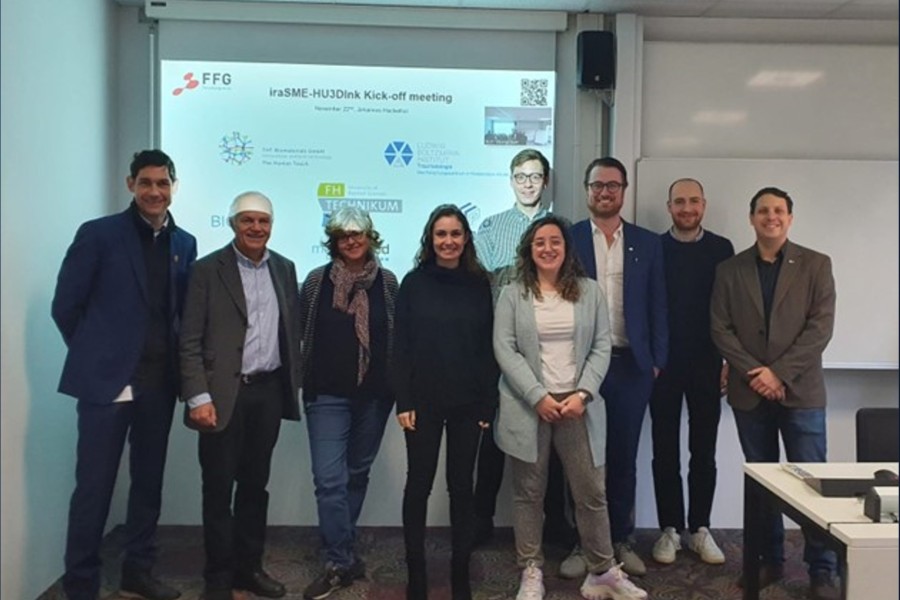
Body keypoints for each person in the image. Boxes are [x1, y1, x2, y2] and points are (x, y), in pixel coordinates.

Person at [52, 149, 196, 600]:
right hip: (106, 386)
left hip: (158, 383)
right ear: (130, 183)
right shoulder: (99, 235)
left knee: (148, 484)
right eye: (146, 182)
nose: (155, 191)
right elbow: (66, 306)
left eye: (163, 183)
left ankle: (139, 570)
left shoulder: (184, 243)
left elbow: (179, 314)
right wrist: (98, 357)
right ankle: (81, 585)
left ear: (174, 187)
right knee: (93, 490)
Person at [494, 214, 648, 600]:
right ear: (529, 250)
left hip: (579, 405)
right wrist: (537, 396)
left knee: (591, 492)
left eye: (555, 242)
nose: (548, 248)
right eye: (540, 242)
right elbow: (505, 349)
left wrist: (583, 394)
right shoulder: (513, 293)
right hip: (530, 404)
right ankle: (531, 569)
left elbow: (601, 345)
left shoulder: (589, 290)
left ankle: (602, 571)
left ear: (566, 249)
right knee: (529, 492)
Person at [711, 187, 838, 600]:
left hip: (801, 392)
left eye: (779, 211)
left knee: (812, 483)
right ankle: (768, 561)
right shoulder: (730, 270)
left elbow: (820, 328)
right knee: (762, 485)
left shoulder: (816, 265)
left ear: (790, 218)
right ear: (751, 218)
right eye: (763, 211)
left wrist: (779, 373)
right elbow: (720, 328)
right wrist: (756, 373)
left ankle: (822, 569)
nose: (771, 217)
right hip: (751, 394)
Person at [179, 192, 301, 600]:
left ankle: (249, 569)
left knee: (255, 487)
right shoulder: (206, 270)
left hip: (266, 394)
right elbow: (189, 339)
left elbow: (291, 333)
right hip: (220, 397)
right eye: (247, 221)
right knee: (217, 490)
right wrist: (197, 396)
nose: (256, 228)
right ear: (233, 223)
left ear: (271, 225)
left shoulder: (284, 268)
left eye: (263, 221)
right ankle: (217, 578)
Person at [393, 204, 499, 600]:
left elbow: (489, 348)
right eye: (441, 234)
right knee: (418, 486)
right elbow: (400, 346)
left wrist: (488, 404)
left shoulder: (479, 283)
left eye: (455, 234)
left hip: (469, 405)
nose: (449, 241)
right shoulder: (413, 283)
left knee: (461, 488)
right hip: (422, 403)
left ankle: (460, 571)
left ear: (466, 239)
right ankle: (415, 572)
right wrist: (403, 400)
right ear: (430, 239)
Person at [471, 149, 574, 553]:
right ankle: (481, 520)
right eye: (520, 176)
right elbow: (482, 286)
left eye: (535, 176)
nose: (528, 183)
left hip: (550, 353)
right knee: (494, 442)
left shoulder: (560, 230)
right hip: (499, 350)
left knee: (552, 444)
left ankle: (556, 526)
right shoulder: (491, 228)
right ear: (510, 180)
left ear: (545, 181)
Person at [569, 157, 668, 577]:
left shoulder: (647, 243)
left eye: (613, 185)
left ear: (624, 191)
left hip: (631, 366)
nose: (605, 192)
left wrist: (657, 361)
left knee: (623, 457)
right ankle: (581, 541)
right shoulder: (568, 239)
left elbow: (658, 303)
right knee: (579, 459)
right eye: (597, 185)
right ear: (587, 190)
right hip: (579, 368)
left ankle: (621, 539)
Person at [299, 207, 399, 600]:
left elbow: (397, 335)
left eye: (358, 234)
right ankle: (339, 559)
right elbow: (300, 332)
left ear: (371, 238)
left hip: (374, 395)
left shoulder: (388, 282)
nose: (352, 241)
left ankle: (340, 551)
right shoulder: (315, 281)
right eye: (343, 235)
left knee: (356, 473)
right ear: (334, 241)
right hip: (326, 394)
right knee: (329, 480)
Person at [648, 178, 734, 566]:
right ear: (669, 207)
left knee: (704, 451)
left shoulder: (722, 249)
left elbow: (731, 311)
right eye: (679, 201)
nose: (687, 208)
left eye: (693, 201)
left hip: (707, 364)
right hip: (662, 365)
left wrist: (729, 360)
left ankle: (700, 528)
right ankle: (669, 528)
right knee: (664, 451)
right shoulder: (654, 248)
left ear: (704, 205)